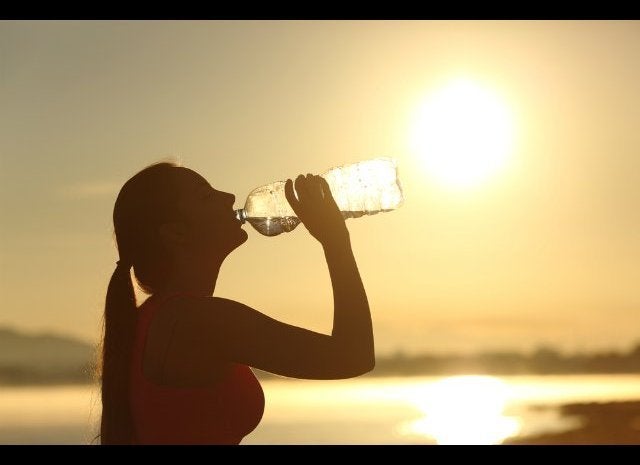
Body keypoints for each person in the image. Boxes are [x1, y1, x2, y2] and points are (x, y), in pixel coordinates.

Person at [99, 161, 375, 445]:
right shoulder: (198, 322)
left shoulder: (158, 318)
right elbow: (353, 355)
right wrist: (335, 240)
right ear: (176, 234)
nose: (228, 197)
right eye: (206, 196)